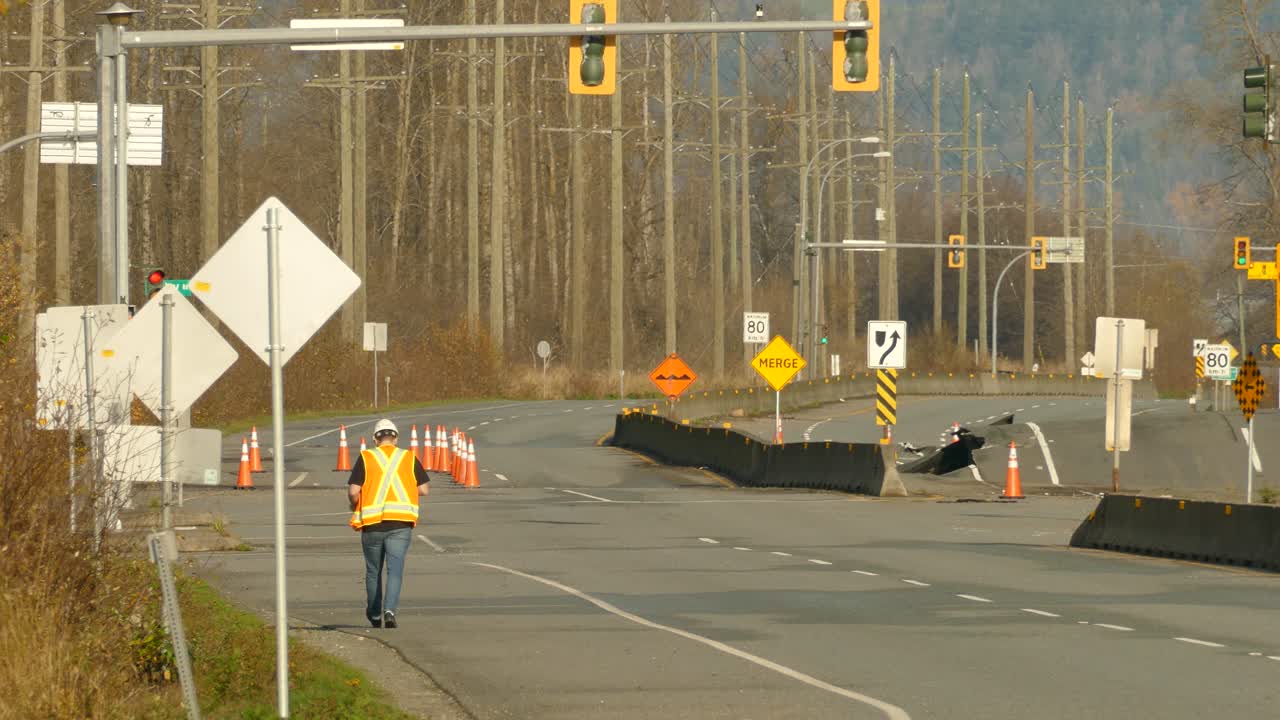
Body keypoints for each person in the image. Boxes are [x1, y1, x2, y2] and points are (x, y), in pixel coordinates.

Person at [348, 419, 430, 629]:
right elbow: (424, 489)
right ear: (396, 438)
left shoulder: (366, 457)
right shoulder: (408, 457)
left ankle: (375, 613)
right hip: (401, 523)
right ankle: (390, 611)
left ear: (375, 439)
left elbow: (354, 491)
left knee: (373, 571)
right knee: (395, 571)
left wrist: (355, 504)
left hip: (373, 524)